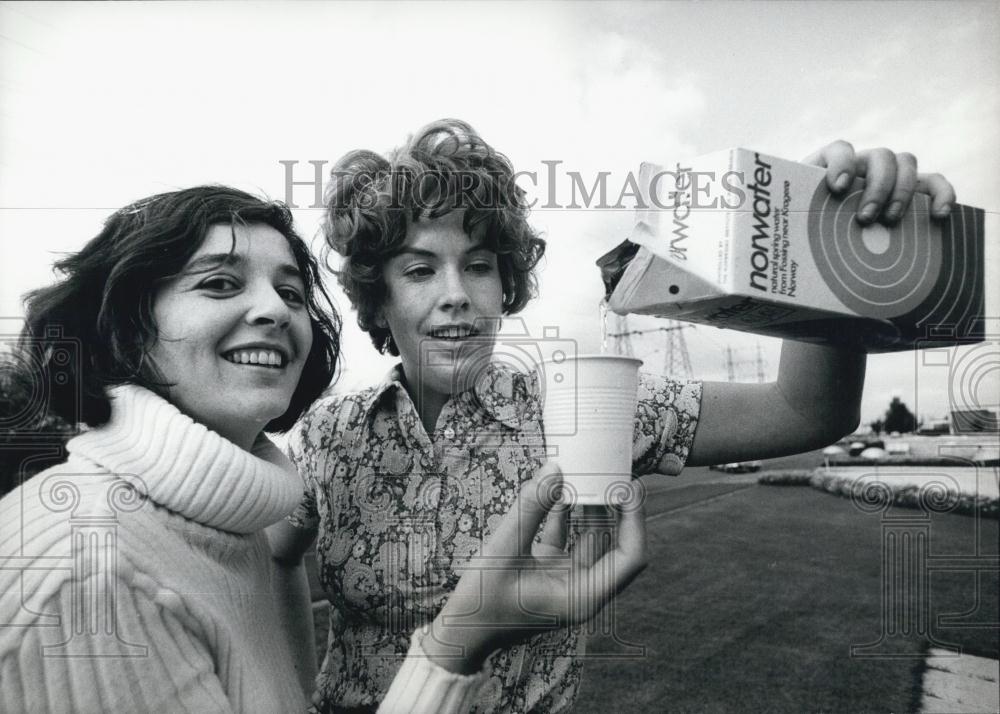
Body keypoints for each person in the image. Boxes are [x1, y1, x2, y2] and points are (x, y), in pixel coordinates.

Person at [270, 119, 957, 712]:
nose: (456, 295)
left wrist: (821, 245)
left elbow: (805, 409)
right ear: (377, 298)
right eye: (419, 271)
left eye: (478, 265)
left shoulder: (579, 405)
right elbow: (259, 572)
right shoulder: (328, 439)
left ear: (506, 284)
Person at [0, 185, 643, 713]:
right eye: (220, 284)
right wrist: (458, 642)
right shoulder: (89, 575)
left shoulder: (223, 516)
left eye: (290, 291)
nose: (274, 311)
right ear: (123, 327)